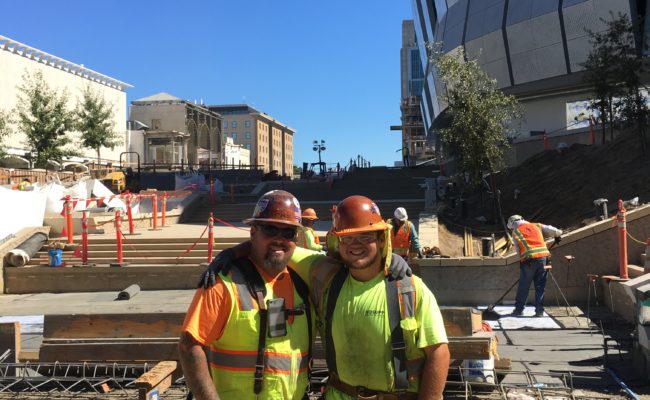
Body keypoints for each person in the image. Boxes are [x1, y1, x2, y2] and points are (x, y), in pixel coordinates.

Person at [199, 195, 448, 399]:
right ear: (337, 242)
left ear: (382, 239)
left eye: (365, 236)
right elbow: (279, 245)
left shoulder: (410, 288)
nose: (356, 244)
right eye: (348, 238)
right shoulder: (327, 275)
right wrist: (231, 253)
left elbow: (438, 352)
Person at [178, 190, 313, 399]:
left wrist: (232, 251)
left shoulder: (303, 279)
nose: (279, 239)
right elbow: (189, 346)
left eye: (288, 233)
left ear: (296, 238)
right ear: (253, 233)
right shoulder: (223, 283)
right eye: (270, 229)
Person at [507, 214, 563, 317]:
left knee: (524, 286)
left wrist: (522, 260)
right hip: (544, 259)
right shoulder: (537, 225)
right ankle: (539, 311)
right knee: (540, 286)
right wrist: (558, 235)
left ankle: (519, 310)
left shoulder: (516, 232)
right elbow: (555, 231)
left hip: (528, 261)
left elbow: (518, 251)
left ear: (513, 224)